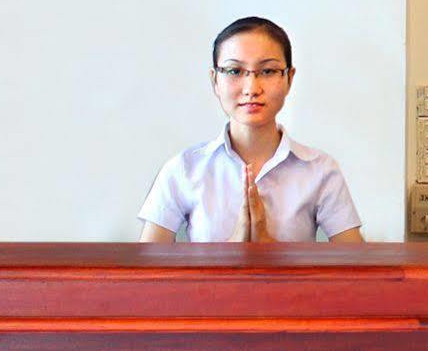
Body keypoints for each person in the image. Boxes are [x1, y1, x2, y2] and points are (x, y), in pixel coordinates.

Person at [138, 17, 364, 243]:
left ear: (289, 79)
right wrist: (233, 249)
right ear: (215, 80)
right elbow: (146, 272)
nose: (252, 88)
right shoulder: (183, 169)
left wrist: (269, 249)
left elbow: (358, 270)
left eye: (267, 71)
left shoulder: (321, 170)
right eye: (235, 71)